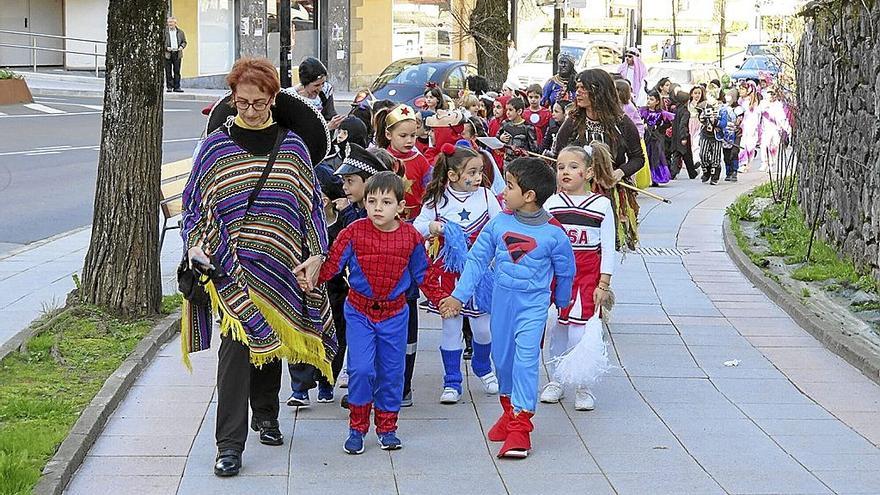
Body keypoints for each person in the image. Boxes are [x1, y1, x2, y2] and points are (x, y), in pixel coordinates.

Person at [182, 57, 335, 477]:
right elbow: (194, 206)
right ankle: (228, 444)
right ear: (232, 98)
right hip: (229, 265)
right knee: (236, 349)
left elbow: (310, 209)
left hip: (282, 261)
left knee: (270, 341)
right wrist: (196, 247)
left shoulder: (293, 147)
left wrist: (317, 254)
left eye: (259, 103)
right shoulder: (215, 146)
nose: (250, 110)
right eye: (242, 102)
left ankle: (266, 414)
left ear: (273, 100)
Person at [439, 157, 575, 458]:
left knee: (526, 359)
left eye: (509, 186)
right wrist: (459, 296)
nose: (502, 191)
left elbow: (566, 270)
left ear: (529, 196)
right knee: (502, 360)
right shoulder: (498, 222)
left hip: (533, 306)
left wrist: (563, 302)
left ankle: (521, 425)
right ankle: (508, 409)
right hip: (501, 302)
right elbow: (475, 260)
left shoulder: (554, 234)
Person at [317, 171, 430, 454]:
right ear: (364, 203)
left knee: (392, 372)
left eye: (386, 202)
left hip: (395, 314)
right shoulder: (352, 232)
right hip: (359, 311)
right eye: (372, 201)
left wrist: (448, 298)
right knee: (361, 369)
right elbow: (330, 268)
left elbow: (423, 274)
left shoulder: (411, 237)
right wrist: (308, 276)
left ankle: (388, 427)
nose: (378, 207)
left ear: (400, 207)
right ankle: (357, 427)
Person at [414, 144, 502, 404]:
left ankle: (483, 366)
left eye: (479, 172)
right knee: (451, 326)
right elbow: (417, 226)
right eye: (472, 172)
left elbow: (499, 228)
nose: (477, 177)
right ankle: (452, 380)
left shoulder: (486, 196)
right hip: (449, 273)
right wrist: (433, 227)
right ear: (452, 175)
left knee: (483, 329)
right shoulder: (437, 199)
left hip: (480, 274)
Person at [541, 143, 615, 411]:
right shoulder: (552, 204)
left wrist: (603, 283)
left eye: (573, 167)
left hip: (587, 278)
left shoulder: (602, 205)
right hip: (558, 278)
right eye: (560, 167)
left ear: (589, 172)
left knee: (580, 333)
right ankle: (558, 379)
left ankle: (584, 386)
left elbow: (608, 246)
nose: (566, 172)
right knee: (558, 330)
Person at [555, 69, 643, 250]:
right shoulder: (573, 121)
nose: (577, 92)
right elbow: (558, 154)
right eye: (577, 87)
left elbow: (637, 158)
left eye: (583, 88)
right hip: (575, 194)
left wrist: (618, 173)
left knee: (603, 245)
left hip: (608, 193)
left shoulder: (623, 123)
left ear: (599, 91)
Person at [375, 104, 433, 221]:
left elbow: (430, 187)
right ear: (388, 135)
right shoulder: (381, 159)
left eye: (413, 135)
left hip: (416, 219)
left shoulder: (420, 160)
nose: (409, 141)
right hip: (386, 219)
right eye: (403, 136)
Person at [295, 57, 344, 128]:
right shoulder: (293, 97)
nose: (320, 88)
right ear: (305, 83)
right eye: (316, 85)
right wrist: (327, 127)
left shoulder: (326, 90)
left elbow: (330, 115)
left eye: (323, 83)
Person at [639, 90, 674, 185]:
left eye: (651, 99)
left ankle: (655, 177)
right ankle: (647, 177)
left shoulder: (661, 113)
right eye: (648, 99)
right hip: (646, 137)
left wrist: (659, 128)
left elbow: (668, 123)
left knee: (656, 157)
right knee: (646, 155)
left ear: (657, 101)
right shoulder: (643, 111)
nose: (649, 101)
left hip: (656, 138)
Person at [669, 88, 701, 179]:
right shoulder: (685, 112)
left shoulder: (676, 110)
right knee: (683, 156)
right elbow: (683, 125)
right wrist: (684, 137)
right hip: (683, 137)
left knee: (680, 155)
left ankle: (691, 173)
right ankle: (676, 173)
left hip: (675, 137)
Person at [758, 86, 791, 172]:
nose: (771, 96)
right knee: (764, 145)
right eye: (769, 94)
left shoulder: (778, 105)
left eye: (773, 94)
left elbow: (782, 117)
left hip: (775, 129)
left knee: (774, 146)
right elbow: (758, 114)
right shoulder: (763, 104)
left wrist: (786, 128)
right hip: (766, 129)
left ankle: (771, 163)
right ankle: (764, 162)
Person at [498, 97, 538, 166]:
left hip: (522, 163)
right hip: (507, 162)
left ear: (519, 111)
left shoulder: (528, 127)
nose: (507, 113)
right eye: (507, 110)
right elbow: (496, 140)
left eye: (510, 110)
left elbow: (534, 148)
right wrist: (500, 138)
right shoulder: (505, 124)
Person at [719, 88, 744, 182]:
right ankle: (728, 172)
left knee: (734, 152)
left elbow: (739, 121)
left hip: (735, 133)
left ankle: (734, 171)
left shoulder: (739, 109)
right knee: (726, 154)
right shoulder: (723, 108)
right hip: (725, 134)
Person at [737, 80, 761, 173]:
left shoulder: (754, 103)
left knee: (749, 145)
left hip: (751, 126)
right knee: (742, 144)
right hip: (743, 126)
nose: (740, 91)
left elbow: (756, 116)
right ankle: (743, 163)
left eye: (742, 89)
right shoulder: (741, 101)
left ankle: (746, 163)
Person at [698, 101, 724, 185]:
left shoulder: (722, 110)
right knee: (703, 154)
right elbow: (700, 118)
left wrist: (715, 122)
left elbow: (724, 123)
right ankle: (707, 171)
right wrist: (702, 117)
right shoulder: (702, 110)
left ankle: (714, 176)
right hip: (705, 135)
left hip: (716, 137)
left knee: (716, 157)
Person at [164, 17, 187, 93]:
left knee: (177, 71)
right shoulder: (165, 32)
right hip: (168, 53)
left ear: (175, 23)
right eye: (169, 22)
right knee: (168, 71)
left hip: (177, 53)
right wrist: (166, 48)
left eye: (171, 22)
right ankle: (169, 86)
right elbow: (162, 42)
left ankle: (177, 87)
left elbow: (184, 42)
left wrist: (181, 47)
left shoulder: (180, 32)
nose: (170, 24)